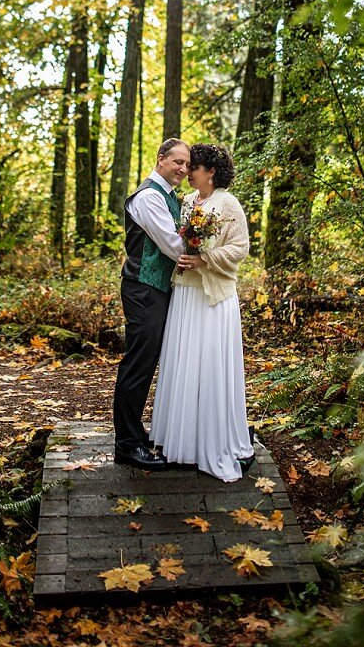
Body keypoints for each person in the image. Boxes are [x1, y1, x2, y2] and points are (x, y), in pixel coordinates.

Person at [150, 143, 257, 481]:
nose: (188, 171)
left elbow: (240, 248)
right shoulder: (185, 203)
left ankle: (212, 441)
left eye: (194, 166)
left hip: (214, 299)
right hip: (186, 294)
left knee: (210, 366)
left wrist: (205, 258)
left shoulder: (227, 203)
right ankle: (181, 441)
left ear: (210, 171)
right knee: (184, 362)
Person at [114, 139, 190, 468]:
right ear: (160, 160)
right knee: (138, 364)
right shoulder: (148, 197)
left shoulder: (170, 198)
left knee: (147, 363)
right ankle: (127, 445)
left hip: (155, 288)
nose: (183, 170)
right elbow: (174, 245)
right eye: (177, 162)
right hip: (143, 288)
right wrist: (212, 254)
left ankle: (135, 434)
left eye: (187, 165)